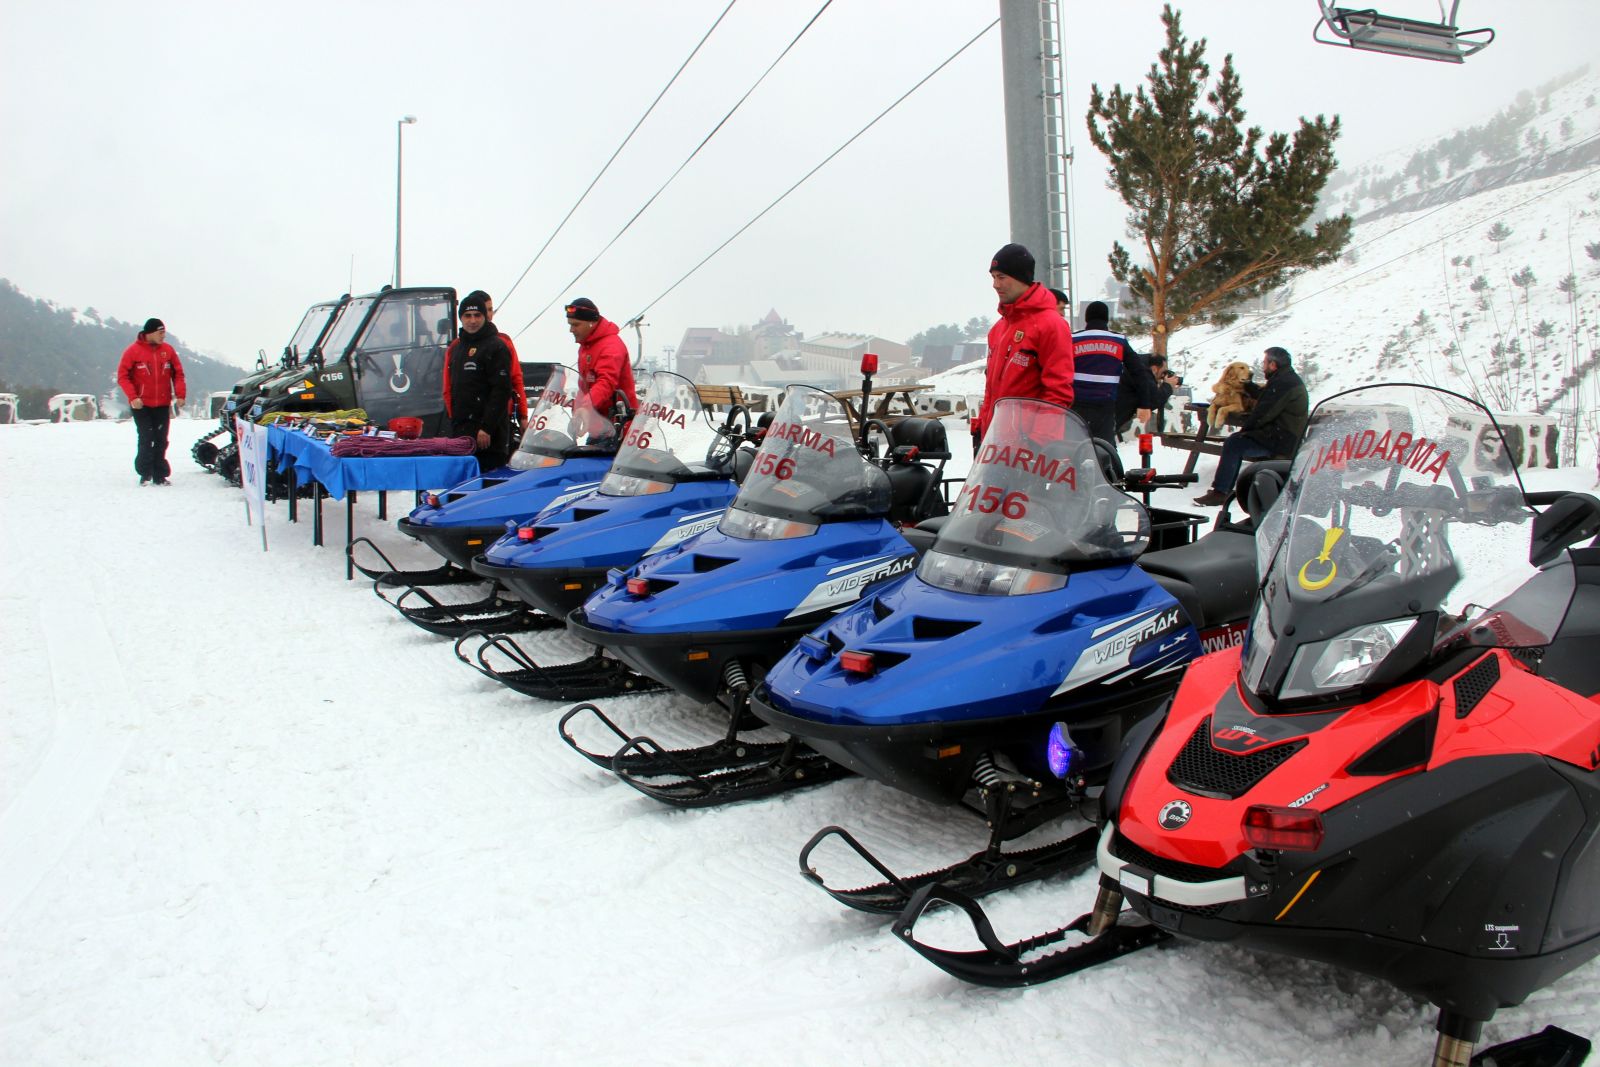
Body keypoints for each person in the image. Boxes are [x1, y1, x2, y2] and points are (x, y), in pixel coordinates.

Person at [973, 243, 1074, 445]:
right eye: (993, 277)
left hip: (1030, 448)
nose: (995, 284)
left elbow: (1058, 390)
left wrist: (1039, 442)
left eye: (1002, 277)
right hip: (996, 446)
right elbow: (991, 390)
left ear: (1022, 279)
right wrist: (982, 431)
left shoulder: (1051, 325)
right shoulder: (999, 329)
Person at [1192, 346, 1308, 507]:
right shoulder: (1285, 379)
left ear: (1273, 365)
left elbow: (1263, 413)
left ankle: (1220, 492)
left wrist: (1245, 431)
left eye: (1265, 363)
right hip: (1283, 435)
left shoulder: (1283, 383)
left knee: (1234, 443)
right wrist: (1248, 386)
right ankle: (1222, 491)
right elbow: (1266, 396)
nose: (1263, 366)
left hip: (1282, 439)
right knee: (1236, 441)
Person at [446, 291, 515, 470]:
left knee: (488, 488)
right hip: (462, 433)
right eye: (467, 316)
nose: (473, 320)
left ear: (485, 317)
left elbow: (501, 390)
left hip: (489, 436)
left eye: (477, 315)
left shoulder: (497, 346)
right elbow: (452, 388)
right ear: (461, 318)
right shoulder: (457, 348)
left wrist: (487, 427)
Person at [1071, 300, 1155, 447]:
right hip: (1105, 407)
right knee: (1105, 451)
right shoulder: (1118, 341)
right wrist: (1144, 404)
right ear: (1106, 319)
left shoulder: (1073, 339)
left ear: (1086, 319)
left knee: (1074, 450)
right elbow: (1139, 372)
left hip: (1076, 407)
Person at [442, 290, 528, 431]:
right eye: (485, 310)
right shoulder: (456, 347)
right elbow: (448, 386)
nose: (489, 315)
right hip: (464, 419)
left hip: (498, 418)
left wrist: (523, 415)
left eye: (490, 310)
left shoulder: (502, 343)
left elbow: (515, 380)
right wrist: (454, 417)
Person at [116, 318, 187, 485]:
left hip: (162, 403)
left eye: (164, 332)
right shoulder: (133, 351)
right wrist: (133, 397)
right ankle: (145, 473)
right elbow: (122, 376)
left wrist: (180, 394)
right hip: (141, 405)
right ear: (150, 333)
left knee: (161, 439)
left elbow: (178, 374)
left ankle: (159, 474)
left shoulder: (168, 351)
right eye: (160, 332)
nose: (163, 336)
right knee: (147, 436)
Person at [565, 297, 638, 429]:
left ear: (591, 323)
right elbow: (584, 386)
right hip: (600, 426)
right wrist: (577, 410)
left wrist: (586, 407)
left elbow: (606, 382)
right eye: (570, 324)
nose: (571, 330)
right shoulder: (585, 347)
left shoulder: (611, 346)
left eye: (576, 325)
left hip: (620, 427)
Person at [1125, 353, 1179, 434]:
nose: (1164, 375)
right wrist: (1168, 386)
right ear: (1154, 369)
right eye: (1163, 371)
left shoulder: (1134, 366)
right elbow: (1154, 401)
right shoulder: (1143, 375)